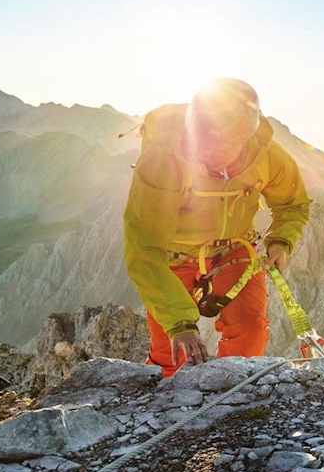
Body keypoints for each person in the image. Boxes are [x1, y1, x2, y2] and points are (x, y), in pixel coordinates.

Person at [122, 78, 311, 375]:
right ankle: (171, 399)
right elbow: (144, 247)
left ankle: (227, 388)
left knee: (251, 332)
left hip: (234, 249)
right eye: (203, 140)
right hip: (174, 256)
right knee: (172, 352)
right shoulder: (162, 160)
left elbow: (293, 203)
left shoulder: (266, 156)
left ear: (245, 137)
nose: (209, 151)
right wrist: (179, 323)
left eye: (221, 143)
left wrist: (282, 240)